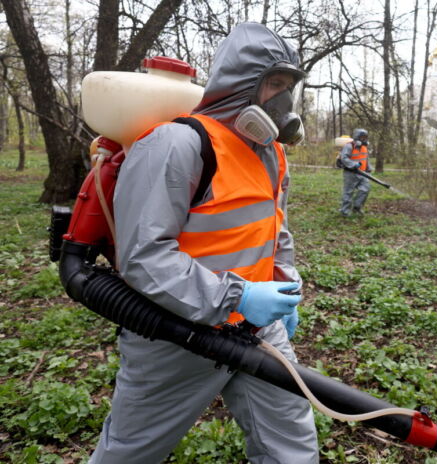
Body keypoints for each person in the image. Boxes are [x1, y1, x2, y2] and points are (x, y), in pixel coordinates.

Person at [89, 23, 318, 463]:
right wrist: (241, 294)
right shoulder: (178, 143)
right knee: (130, 453)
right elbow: (144, 256)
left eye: (288, 86)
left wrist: (284, 286)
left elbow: (274, 228)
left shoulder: (271, 152)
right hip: (174, 337)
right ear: (240, 81)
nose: (282, 99)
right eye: (274, 84)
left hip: (256, 332)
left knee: (292, 447)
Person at [339, 128, 372, 216]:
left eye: (365, 137)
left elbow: (365, 159)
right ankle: (344, 211)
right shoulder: (349, 146)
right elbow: (344, 158)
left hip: (363, 173)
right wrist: (354, 164)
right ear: (357, 137)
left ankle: (357, 207)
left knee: (365, 189)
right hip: (351, 173)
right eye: (362, 137)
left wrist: (368, 167)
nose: (364, 139)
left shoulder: (364, 147)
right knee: (348, 192)